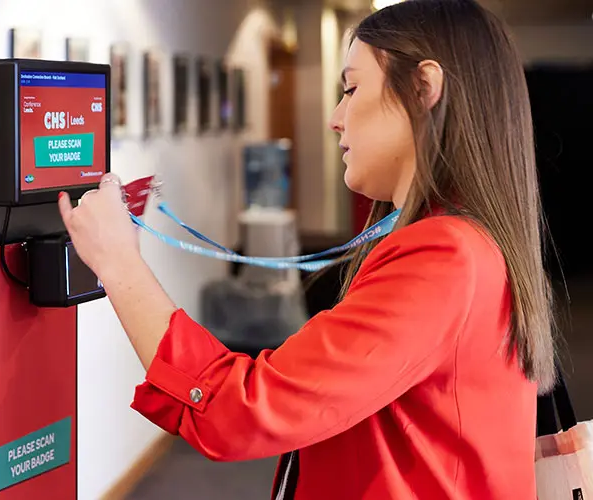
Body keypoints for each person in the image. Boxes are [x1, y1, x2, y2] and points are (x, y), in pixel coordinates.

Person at [57, 0, 558, 498]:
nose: (336, 118)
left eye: (352, 89)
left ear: (424, 88)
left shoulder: (444, 255)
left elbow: (241, 410)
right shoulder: (466, 240)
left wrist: (119, 265)